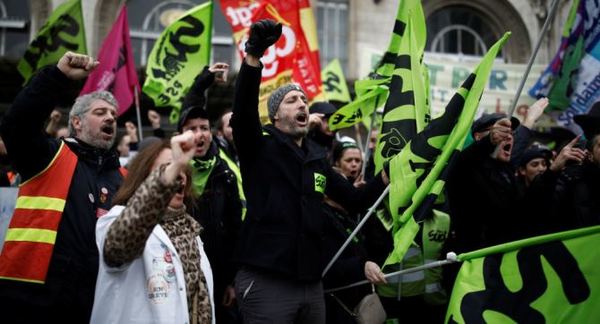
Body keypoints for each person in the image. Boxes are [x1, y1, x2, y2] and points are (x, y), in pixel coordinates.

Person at [230, 19, 389, 323]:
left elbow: (354, 201)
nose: (302, 103)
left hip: (312, 285)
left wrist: (387, 176)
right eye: (292, 100)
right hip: (268, 282)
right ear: (276, 115)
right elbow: (243, 113)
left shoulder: (316, 159)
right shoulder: (259, 147)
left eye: (304, 99)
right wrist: (253, 56)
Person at [0, 51, 126, 323]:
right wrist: (56, 77)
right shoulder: (48, 155)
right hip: (32, 297)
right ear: (77, 122)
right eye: (100, 112)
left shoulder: (124, 178)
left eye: (113, 114)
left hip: (95, 301)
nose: (111, 118)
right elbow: (17, 125)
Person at [91, 132, 215, 324]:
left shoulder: (191, 231)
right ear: (145, 180)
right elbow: (118, 246)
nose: (178, 175)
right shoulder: (119, 219)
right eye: (167, 168)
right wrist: (165, 180)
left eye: (182, 168)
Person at [178, 61, 245, 323]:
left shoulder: (224, 173)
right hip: (182, 278)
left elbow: (234, 229)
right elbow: (190, 107)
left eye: (203, 128)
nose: (199, 134)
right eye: (191, 129)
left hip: (219, 277)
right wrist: (205, 79)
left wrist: (232, 280)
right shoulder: (175, 172)